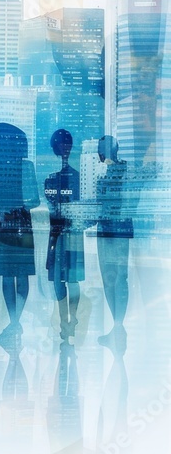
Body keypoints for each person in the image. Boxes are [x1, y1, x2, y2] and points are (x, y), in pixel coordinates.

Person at [0, 123, 39, 350]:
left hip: (12, 225)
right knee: (11, 275)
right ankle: (14, 324)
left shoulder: (21, 167)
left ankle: (14, 324)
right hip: (9, 225)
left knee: (17, 275)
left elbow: (34, 201)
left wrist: (10, 211)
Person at [44, 129, 84, 343]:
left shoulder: (73, 178)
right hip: (59, 233)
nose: (64, 148)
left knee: (70, 277)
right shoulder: (57, 178)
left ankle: (69, 321)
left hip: (66, 232)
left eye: (66, 143)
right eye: (61, 144)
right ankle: (66, 322)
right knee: (63, 278)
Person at [95, 135, 133, 353]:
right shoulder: (109, 172)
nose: (100, 155)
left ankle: (118, 328)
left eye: (101, 150)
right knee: (112, 277)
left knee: (116, 276)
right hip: (110, 228)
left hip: (114, 228)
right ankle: (117, 328)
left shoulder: (118, 172)